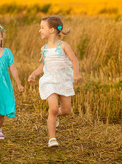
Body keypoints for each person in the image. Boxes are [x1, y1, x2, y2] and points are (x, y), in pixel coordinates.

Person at [28, 16, 82, 147]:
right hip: (50, 80)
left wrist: (76, 74)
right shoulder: (43, 48)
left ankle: (55, 115)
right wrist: (34, 74)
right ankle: (52, 138)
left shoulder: (63, 45)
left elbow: (74, 60)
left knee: (66, 110)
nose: (40, 30)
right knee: (53, 109)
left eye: (42, 28)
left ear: (52, 30)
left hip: (63, 80)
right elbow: (43, 65)